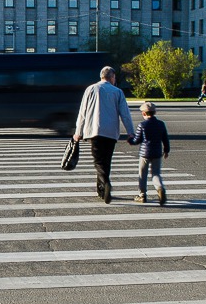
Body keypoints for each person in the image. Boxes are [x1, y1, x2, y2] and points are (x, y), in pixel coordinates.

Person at [73, 66, 135, 203]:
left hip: (94, 131)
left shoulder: (90, 89)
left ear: (101, 76)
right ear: (112, 77)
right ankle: (101, 190)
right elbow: (125, 114)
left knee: (98, 161)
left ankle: (105, 184)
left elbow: (82, 113)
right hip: (111, 133)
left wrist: (78, 132)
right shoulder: (118, 92)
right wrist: (130, 132)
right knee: (106, 161)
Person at [127, 101, 170, 205]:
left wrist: (130, 139)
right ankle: (160, 188)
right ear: (154, 112)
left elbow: (137, 140)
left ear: (144, 113)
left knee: (142, 174)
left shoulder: (142, 125)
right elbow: (165, 139)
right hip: (157, 152)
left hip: (144, 153)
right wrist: (166, 150)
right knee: (156, 173)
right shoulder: (161, 124)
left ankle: (142, 195)